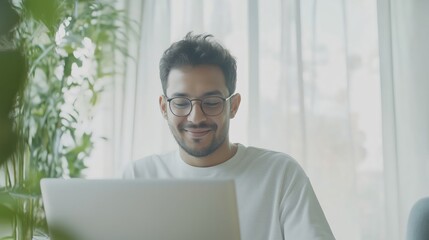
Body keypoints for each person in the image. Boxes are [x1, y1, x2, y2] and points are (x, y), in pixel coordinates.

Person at [123, 32, 335, 240]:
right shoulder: (138, 177)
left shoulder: (280, 174)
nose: (196, 118)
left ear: (233, 106)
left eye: (212, 102)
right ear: (163, 107)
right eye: (180, 103)